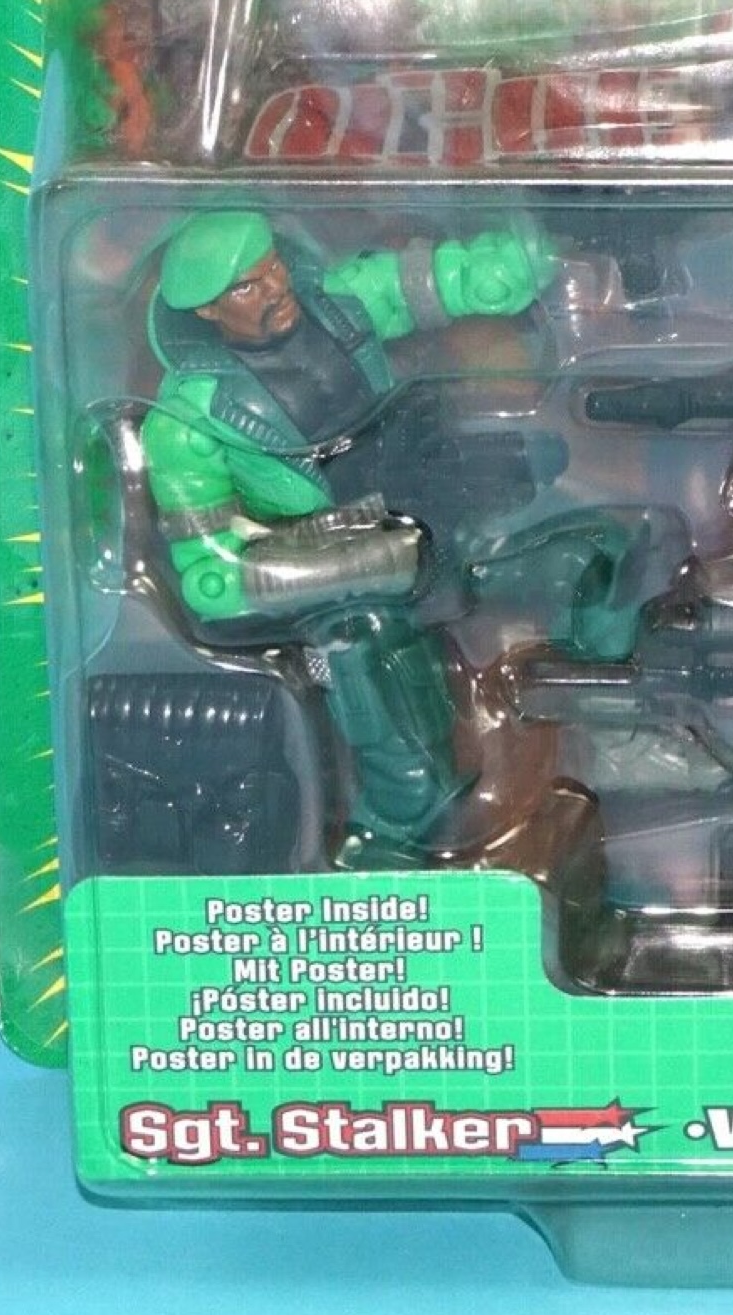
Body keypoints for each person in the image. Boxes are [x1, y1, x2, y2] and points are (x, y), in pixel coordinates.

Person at [141, 209, 557, 865]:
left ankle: (625, 727)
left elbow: (448, 278)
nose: (276, 288)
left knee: (585, 560)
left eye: (273, 267)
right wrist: (361, 561)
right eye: (248, 286)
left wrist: (532, 251)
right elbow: (210, 579)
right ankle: (390, 845)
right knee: (380, 682)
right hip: (343, 583)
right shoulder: (187, 421)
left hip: (433, 508)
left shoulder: (338, 303)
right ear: (207, 310)